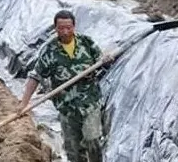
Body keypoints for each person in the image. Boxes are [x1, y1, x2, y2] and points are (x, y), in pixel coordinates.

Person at [18, 10, 113, 162]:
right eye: (61, 28)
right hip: (67, 106)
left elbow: (101, 63)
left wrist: (105, 61)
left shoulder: (86, 43)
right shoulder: (49, 50)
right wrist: (24, 103)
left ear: (74, 26)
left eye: (69, 28)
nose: (65, 32)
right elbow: (36, 76)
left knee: (92, 139)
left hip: (90, 102)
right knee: (73, 150)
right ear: (55, 28)